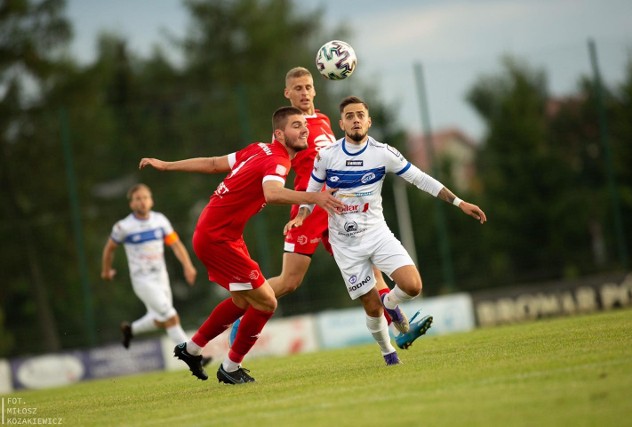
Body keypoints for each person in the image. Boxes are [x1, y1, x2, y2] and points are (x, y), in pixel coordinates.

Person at [138, 106, 343, 384]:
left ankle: (192, 349)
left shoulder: (258, 149)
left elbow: (212, 164)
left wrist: (167, 165)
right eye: (297, 125)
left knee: (241, 301)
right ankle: (231, 368)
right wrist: (314, 198)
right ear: (279, 134)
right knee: (267, 302)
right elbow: (271, 193)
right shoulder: (279, 160)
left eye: (304, 124)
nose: (304, 129)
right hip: (218, 239)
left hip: (219, 235)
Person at [230, 67, 432, 349]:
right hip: (310, 206)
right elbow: (279, 161)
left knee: (372, 272)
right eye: (297, 88)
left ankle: (397, 331)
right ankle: (238, 315)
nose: (303, 92)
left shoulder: (325, 120)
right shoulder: (291, 129)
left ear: (315, 88)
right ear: (287, 93)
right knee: (290, 281)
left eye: (307, 87)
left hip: (341, 208)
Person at [293, 96, 487, 365]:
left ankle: (391, 304)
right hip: (345, 243)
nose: (356, 119)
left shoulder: (383, 153)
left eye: (360, 115)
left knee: (412, 285)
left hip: (377, 234)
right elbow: (310, 194)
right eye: (350, 116)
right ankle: (389, 355)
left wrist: (459, 202)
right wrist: (301, 216)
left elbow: (420, 178)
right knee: (370, 306)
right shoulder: (327, 156)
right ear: (341, 124)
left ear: (369, 121)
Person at [101, 183, 199, 352]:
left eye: (145, 197)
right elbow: (109, 249)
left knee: (162, 319)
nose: (142, 202)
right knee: (170, 315)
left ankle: (129, 330)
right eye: (138, 199)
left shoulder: (160, 220)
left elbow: (175, 244)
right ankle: (193, 354)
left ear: (151, 201)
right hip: (142, 279)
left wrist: (188, 266)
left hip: (161, 276)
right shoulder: (123, 226)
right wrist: (106, 271)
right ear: (131, 204)